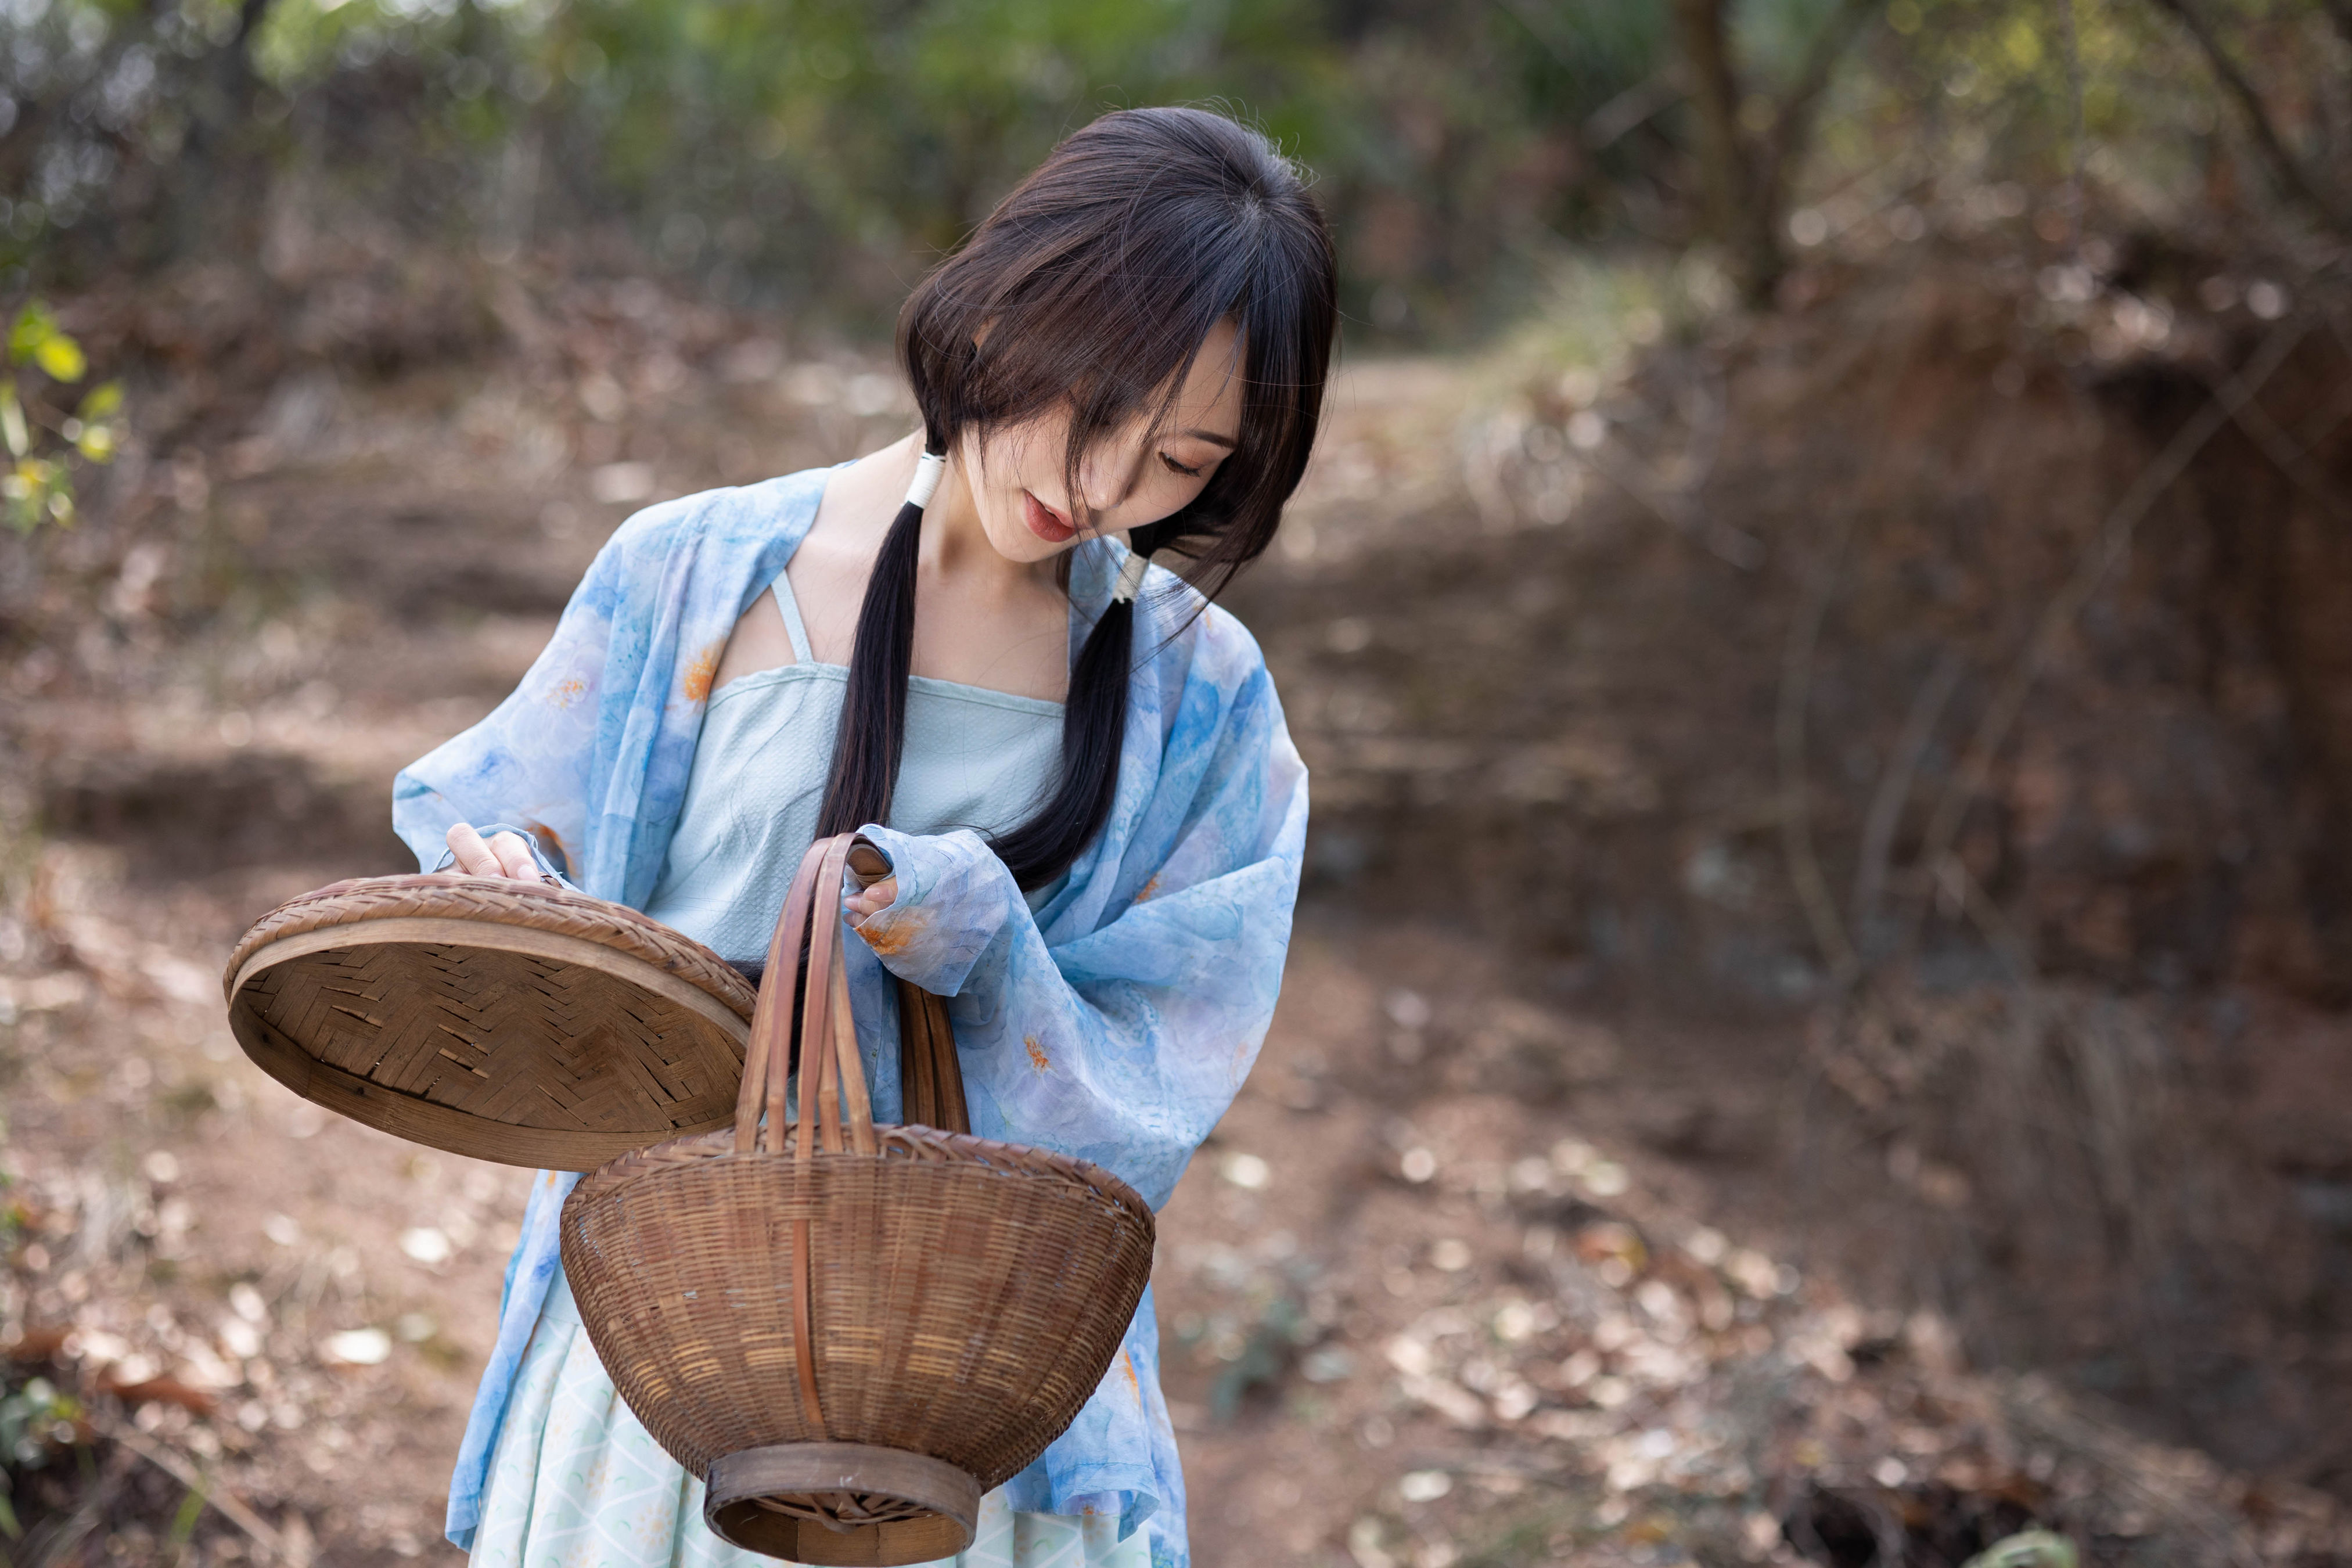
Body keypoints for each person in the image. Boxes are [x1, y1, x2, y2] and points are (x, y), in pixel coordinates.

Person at [391, 106, 1335, 1568]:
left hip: (979, 1389)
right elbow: (510, 839)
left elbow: (1163, 1070)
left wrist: (989, 945)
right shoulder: (698, 571)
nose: (1103, 488)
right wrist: (511, 888)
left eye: (1180, 462)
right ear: (1007, 307)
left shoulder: (1198, 697)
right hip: (671, 1345)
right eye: (1091, 408)